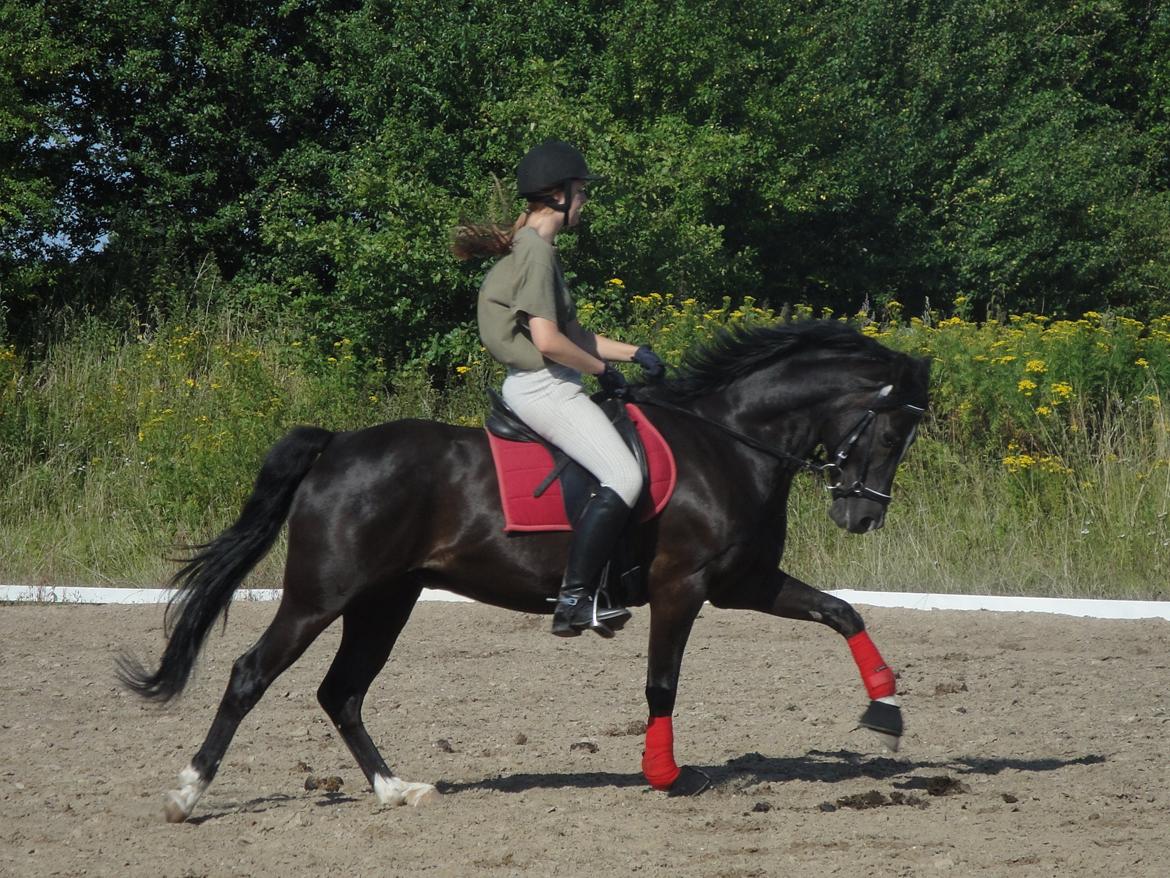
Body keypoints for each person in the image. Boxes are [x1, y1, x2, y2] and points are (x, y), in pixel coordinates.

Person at [453, 140, 665, 638]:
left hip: (546, 381)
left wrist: (634, 353)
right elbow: (549, 342)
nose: (585, 202)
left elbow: (570, 333)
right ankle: (575, 599)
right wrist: (600, 371)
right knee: (624, 475)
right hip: (544, 387)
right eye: (581, 192)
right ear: (557, 195)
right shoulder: (536, 254)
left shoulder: (535, 247)